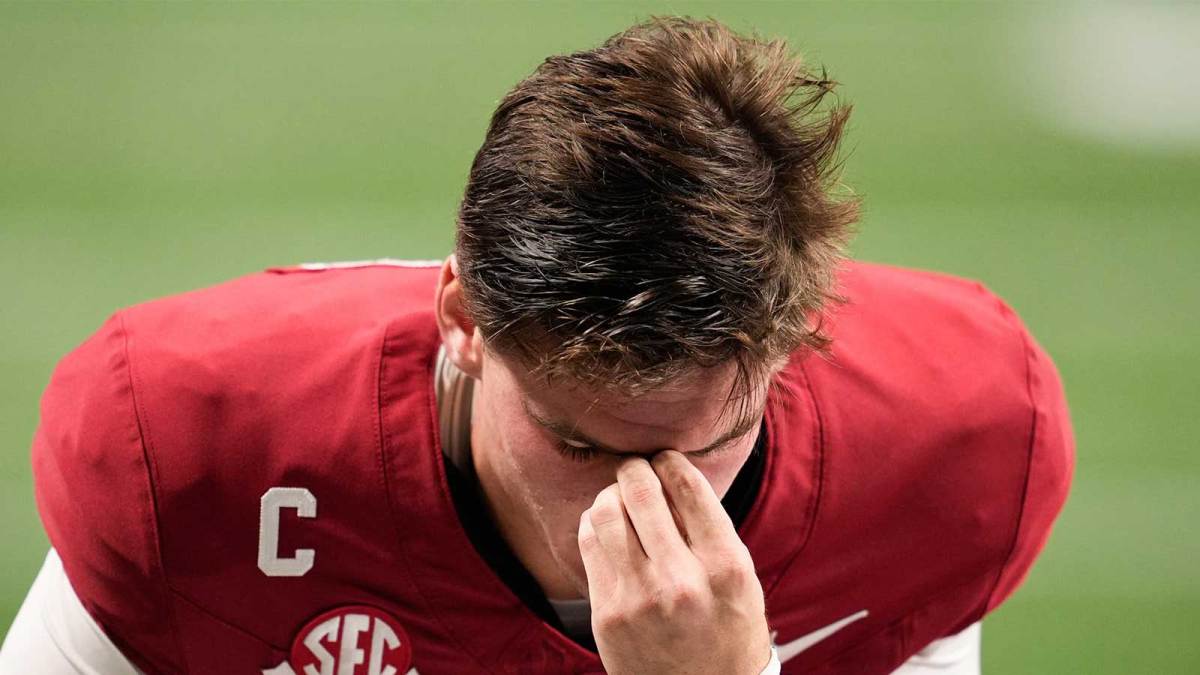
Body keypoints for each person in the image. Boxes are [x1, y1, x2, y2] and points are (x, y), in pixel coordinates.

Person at [0, 15, 1074, 675]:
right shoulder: (194, 448)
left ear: (791, 354)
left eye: (707, 444)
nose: (636, 510)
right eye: (578, 444)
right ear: (464, 323)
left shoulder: (951, 445)